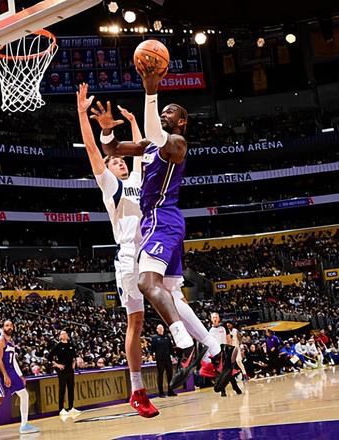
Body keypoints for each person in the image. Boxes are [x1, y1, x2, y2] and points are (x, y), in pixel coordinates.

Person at [94, 57, 236, 394]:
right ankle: (217, 351)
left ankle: (186, 346)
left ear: (182, 122)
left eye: (171, 112)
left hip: (162, 218)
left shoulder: (177, 144)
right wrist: (106, 128)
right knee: (172, 295)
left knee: (146, 282)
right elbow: (111, 148)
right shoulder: (150, 145)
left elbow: (157, 136)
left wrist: (151, 90)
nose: (164, 113)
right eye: (163, 110)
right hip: (160, 223)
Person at [76, 83, 158, 418]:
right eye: (115, 162)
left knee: (174, 301)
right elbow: (93, 151)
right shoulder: (112, 186)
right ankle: (137, 389)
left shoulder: (137, 180)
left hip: (150, 251)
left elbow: (141, 151)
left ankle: (206, 351)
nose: (120, 163)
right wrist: (83, 115)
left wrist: (134, 122)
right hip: (128, 257)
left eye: (121, 161)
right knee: (135, 322)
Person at [200, 313, 242, 397]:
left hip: (225, 351)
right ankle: (223, 390)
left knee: (228, 371)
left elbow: (228, 339)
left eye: (216, 317)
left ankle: (235, 387)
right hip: (215, 353)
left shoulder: (224, 327)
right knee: (219, 373)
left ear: (219, 318)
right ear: (211, 319)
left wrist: (230, 349)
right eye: (213, 317)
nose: (215, 318)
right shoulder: (208, 329)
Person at [52, 330, 78, 418]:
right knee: (62, 390)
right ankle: (61, 409)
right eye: (62, 334)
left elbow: (74, 357)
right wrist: (57, 365)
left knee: (71, 389)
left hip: (70, 370)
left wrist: (73, 365)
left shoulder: (71, 345)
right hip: (62, 371)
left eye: (65, 333)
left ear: (67, 335)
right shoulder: (58, 346)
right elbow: (49, 357)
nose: (63, 335)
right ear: (60, 336)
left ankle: (71, 407)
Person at [151, 324, 176, 398]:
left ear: (163, 329)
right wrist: (153, 355)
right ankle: (161, 392)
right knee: (160, 376)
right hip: (160, 359)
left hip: (168, 359)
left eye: (161, 328)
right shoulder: (155, 338)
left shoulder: (167, 337)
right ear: (157, 330)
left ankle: (170, 391)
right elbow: (152, 349)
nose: (160, 329)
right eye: (159, 328)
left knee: (170, 375)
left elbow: (171, 347)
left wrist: (173, 356)